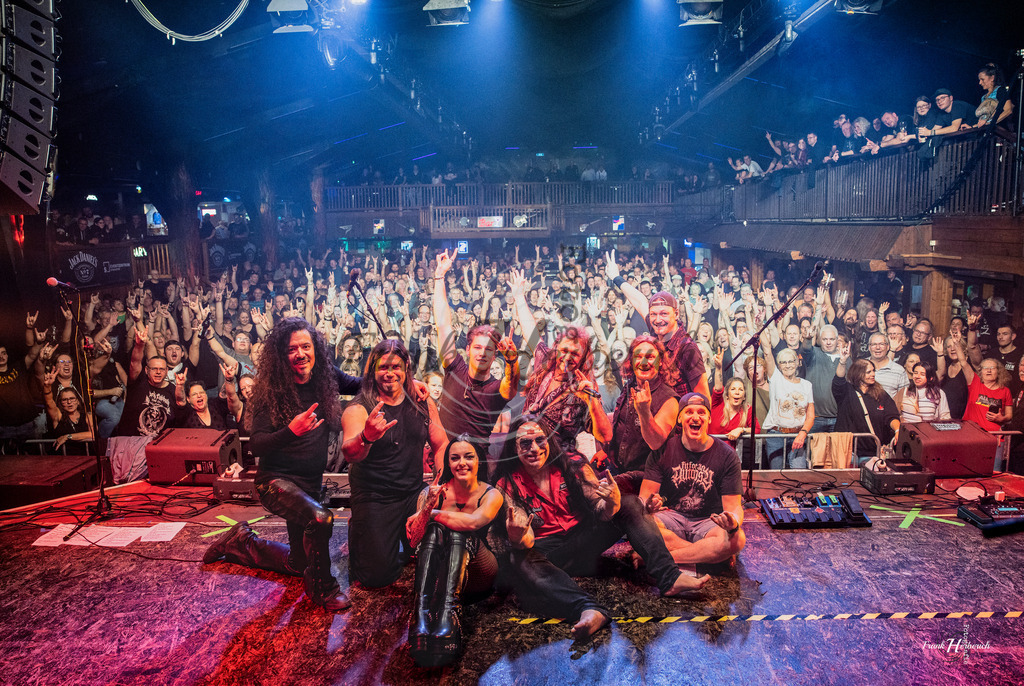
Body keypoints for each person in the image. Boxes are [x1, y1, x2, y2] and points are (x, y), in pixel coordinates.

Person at [493, 415, 708, 641]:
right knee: (518, 557)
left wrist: (612, 502)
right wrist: (518, 537)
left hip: (583, 543)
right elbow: (522, 535)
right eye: (525, 443)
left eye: (540, 440)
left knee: (630, 503)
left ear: (549, 441)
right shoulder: (506, 484)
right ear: (514, 448)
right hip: (549, 557)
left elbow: (600, 509)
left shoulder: (570, 465)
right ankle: (588, 609)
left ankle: (669, 577)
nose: (534, 448)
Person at [203, 317, 361, 611]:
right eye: (292, 349)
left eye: (306, 346)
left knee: (299, 563)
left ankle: (240, 541)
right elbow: (257, 443)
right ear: (281, 355)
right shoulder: (270, 389)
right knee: (320, 519)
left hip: (308, 484)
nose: (300, 354)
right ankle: (324, 589)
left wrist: (403, 381)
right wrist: (292, 431)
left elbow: (361, 384)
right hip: (275, 482)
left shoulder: (326, 376)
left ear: (316, 349)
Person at [341, 339, 449, 589]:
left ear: (407, 367)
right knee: (376, 577)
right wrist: (366, 437)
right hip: (374, 496)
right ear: (373, 370)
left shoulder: (422, 401)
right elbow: (350, 454)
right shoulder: (359, 408)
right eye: (383, 367)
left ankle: (403, 536)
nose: (390, 373)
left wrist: (437, 486)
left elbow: (442, 444)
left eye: (396, 367)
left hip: (413, 492)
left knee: (440, 553)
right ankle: (361, 528)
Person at [405, 437, 502, 667]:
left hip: (479, 573)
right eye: (455, 457)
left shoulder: (491, 494)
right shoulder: (433, 493)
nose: (462, 463)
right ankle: (420, 615)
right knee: (435, 530)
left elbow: (474, 522)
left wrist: (432, 514)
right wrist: (428, 505)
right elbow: (413, 541)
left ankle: (449, 614)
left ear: (479, 461)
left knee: (458, 530)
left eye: (469, 456)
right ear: (448, 463)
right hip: (439, 576)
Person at [639, 392, 745, 569]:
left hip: (709, 523)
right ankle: (708, 555)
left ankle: (662, 559)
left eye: (701, 413)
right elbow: (644, 499)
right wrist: (648, 506)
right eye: (689, 412)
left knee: (738, 539)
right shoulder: (662, 451)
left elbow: (734, 507)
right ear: (679, 419)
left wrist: (733, 521)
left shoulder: (727, 456)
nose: (695, 417)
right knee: (640, 525)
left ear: (709, 419)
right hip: (671, 518)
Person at [510, 269, 612, 449]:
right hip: (525, 450)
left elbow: (605, 436)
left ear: (582, 358)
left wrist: (592, 402)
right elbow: (529, 329)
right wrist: (519, 297)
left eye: (575, 353)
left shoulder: (584, 386)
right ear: (556, 348)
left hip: (560, 459)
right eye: (564, 350)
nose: (567, 357)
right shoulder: (544, 362)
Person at [433, 249, 520, 450]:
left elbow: (511, 385)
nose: (482, 353)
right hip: (445, 457)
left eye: (488, 349)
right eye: (478, 347)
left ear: (494, 354)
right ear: (468, 349)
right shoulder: (455, 369)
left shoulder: (496, 388)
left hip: (477, 462)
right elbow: (443, 324)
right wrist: (439, 277)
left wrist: (512, 361)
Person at [605, 250, 709, 400]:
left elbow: (703, 396)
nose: (658, 319)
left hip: (677, 419)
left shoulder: (687, 348)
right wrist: (616, 277)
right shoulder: (656, 331)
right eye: (653, 314)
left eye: (664, 314)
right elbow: (640, 301)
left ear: (676, 314)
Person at [607, 336, 679, 485]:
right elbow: (621, 427)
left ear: (660, 363)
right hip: (618, 470)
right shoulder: (629, 387)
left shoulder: (669, 399)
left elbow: (656, 442)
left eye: (651, 357)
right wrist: (607, 451)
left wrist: (645, 412)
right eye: (638, 356)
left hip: (649, 478)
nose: (644, 362)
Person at [833, 343, 901, 464]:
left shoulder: (880, 394)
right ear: (858, 374)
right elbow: (838, 380)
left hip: (871, 452)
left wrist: (897, 430)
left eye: (873, 371)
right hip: (848, 451)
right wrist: (843, 361)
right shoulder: (847, 392)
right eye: (869, 372)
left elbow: (891, 416)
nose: (873, 374)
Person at [759, 340, 815, 470]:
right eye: (783, 362)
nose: (788, 365)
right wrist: (760, 324)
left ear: (797, 363)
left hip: (798, 435)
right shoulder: (776, 379)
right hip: (776, 435)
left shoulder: (806, 385)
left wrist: (802, 434)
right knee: (777, 474)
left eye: (791, 361)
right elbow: (767, 352)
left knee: (799, 473)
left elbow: (810, 416)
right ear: (778, 366)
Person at [113, 327, 177, 437]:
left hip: (158, 445)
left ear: (167, 371)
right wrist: (139, 345)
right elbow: (135, 362)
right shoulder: (138, 383)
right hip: (131, 442)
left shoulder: (173, 390)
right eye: (154, 369)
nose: (158, 372)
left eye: (161, 369)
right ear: (146, 370)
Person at [40, 373, 94, 455]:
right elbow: (49, 402)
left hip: (85, 457)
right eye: (64, 400)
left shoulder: (87, 416)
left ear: (78, 401)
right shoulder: (58, 415)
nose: (69, 402)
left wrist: (68, 437)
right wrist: (47, 386)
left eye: (72, 398)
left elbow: (93, 434)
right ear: (60, 403)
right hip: (64, 459)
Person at [973, 63, 1014, 128]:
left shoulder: (1000, 91)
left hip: (999, 131)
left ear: (992, 78)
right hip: (986, 131)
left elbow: (1008, 110)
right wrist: (972, 127)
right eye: (979, 80)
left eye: (982, 79)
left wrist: (990, 123)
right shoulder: (983, 97)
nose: (980, 83)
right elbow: (983, 120)